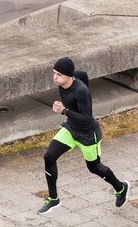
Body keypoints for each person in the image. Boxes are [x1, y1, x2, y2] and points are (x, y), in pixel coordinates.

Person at [38, 57, 130, 215]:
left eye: (58, 74)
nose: (55, 77)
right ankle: (53, 198)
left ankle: (121, 188)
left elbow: (87, 119)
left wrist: (64, 111)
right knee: (49, 156)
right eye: (54, 73)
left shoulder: (81, 91)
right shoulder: (70, 78)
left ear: (68, 75)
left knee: (94, 168)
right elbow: (83, 75)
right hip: (71, 129)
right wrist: (67, 115)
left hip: (88, 134)